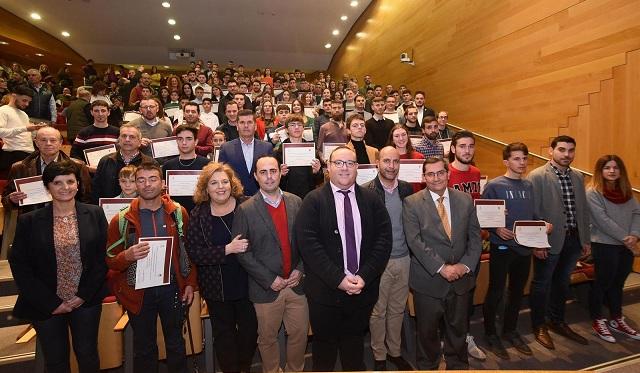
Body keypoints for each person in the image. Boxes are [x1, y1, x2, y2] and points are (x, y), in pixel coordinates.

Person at [295, 146, 392, 371]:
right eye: (338, 163)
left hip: (362, 291)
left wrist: (365, 276)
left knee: (354, 345)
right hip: (324, 294)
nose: (344, 168)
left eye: (350, 163)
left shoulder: (372, 199)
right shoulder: (313, 200)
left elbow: (383, 240)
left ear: (357, 167)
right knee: (324, 351)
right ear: (328, 167)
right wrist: (338, 279)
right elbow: (308, 245)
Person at [9, 160, 108, 373]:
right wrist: (51, 303)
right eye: (57, 183)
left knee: (88, 354)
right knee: (55, 361)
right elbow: (20, 265)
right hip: (46, 303)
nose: (65, 187)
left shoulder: (94, 214)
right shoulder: (29, 221)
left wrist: (82, 295)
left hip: (85, 300)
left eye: (70, 181)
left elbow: (102, 259)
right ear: (48, 187)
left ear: (78, 185)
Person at [105, 162, 197, 373]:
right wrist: (127, 256)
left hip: (172, 289)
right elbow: (110, 259)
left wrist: (190, 283)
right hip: (139, 292)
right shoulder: (121, 219)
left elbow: (187, 251)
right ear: (135, 184)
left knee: (175, 344)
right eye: (141, 180)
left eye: (153, 179)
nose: (147, 184)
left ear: (163, 183)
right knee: (144, 348)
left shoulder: (178, 213)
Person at [403, 157, 482, 370]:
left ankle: (457, 365)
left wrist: (464, 266)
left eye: (440, 173)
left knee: (458, 330)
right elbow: (414, 241)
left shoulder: (465, 199)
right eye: (430, 174)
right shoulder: (412, 203)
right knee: (427, 333)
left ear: (448, 174)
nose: (436, 178)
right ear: (423, 177)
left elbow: (475, 238)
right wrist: (442, 268)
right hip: (428, 282)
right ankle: (428, 366)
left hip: (461, 279)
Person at [234, 155, 308, 373]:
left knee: (299, 334)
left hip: (296, 285)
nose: (269, 176)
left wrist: (301, 269)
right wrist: (269, 279)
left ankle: (295, 370)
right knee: (267, 339)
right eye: (263, 172)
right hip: (266, 289)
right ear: (256, 176)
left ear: (280, 172)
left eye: (273, 171)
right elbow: (242, 252)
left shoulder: (296, 202)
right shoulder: (245, 209)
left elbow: (307, 242)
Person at [185, 162, 257, 372]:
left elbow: (262, 239)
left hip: (248, 284)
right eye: (214, 183)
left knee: (249, 333)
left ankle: (244, 367)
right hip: (217, 288)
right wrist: (227, 249)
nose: (220, 187)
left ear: (232, 184)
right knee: (224, 336)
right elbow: (195, 253)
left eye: (225, 181)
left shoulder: (248, 205)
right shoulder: (198, 215)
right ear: (205, 188)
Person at [481, 142, 547, 359]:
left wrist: (543, 226)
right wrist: (497, 228)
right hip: (502, 248)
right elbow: (483, 217)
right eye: (517, 159)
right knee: (496, 292)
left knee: (517, 292)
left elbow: (534, 216)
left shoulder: (529, 186)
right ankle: (491, 333)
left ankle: (510, 330)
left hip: (524, 249)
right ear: (506, 161)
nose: (522, 163)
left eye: (524, 158)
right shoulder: (494, 185)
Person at [527, 135, 591, 350]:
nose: (566, 154)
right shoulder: (536, 176)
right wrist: (537, 243)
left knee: (562, 283)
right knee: (542, 284)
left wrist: (586, 240)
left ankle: (557, 320)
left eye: (571, 150)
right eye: (562, 149)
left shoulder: (578, 176)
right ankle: (539, 325)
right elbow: (533, 213)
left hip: (573, 240)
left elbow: (582, 211)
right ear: (550, 151)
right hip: (548, 241)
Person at [363, 146, 414, 371]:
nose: (391, 166)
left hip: (404, 259)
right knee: (378, 311)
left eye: (395, 161)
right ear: (377, 163)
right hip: (379, 263)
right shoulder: (366, 191)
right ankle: (379, 355)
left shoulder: (406, 189)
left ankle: (394, 351)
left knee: (397, 309)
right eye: (386, 161)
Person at [587, 155, 640, 343]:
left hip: (625, 245)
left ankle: (617, 319)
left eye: (615, 167)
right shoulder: (593, 192)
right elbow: (602, 221)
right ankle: (597, 319)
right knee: (603, 283)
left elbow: (637, 213)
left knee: (618, 283)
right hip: (604, 244)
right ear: (600, 171)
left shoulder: (626, 191)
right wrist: (629, 240)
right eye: (607, 168)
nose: (611, 171)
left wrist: (634, 235)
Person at [91, 124, 156, 203]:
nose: (127, 139)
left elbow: (155, 190)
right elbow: (96, 190)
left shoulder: (150, 163)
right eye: (124, 136)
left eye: (132, 137)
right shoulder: (106, 161)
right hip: (109, 211)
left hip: (143, 211)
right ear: (119, 140)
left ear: (139, 142)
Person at [218, 109, 273, 196]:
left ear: (255, 126)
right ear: (237, 126)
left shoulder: (267, 147)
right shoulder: (226, 148)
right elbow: (221, 175)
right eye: (242, 122)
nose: (246, 126)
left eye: (250, 122)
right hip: (235, 197)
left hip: (261, 197)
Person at [162, 124, 210, 212]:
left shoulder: (207, 165)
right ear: (176, 141)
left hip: (201, 213)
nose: (184, 143)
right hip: (175, 213)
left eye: (189, 139)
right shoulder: (167, 166)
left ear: (196, 141)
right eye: (180, 139)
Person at [274, 114, 323, 199]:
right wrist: (280, 174)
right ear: (286, 130)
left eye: (300, 125)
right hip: (287, 196)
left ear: (303, 128)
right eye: (292, 125)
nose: (296, 127)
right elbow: (274, 181)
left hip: (308, 195)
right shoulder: (280, 151)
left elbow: (319, 179)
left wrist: (317, 172)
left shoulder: (311, 149)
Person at [0, 85, 44, 177]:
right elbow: (1, 132)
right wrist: (26, 128)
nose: (27, 104)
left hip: (29, 153)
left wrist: (37, 129)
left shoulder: (23, 114)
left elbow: (26, 134)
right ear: (14, 96)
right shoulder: (3, 110)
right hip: (12, 153)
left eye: (29, 102)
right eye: (24, 100)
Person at [70, 100, 120, 168]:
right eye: (96, 111)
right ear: (91, 112)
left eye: (103, 111)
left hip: (112, 172)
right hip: (90, 173)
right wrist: (85, 167)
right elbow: (74, 154)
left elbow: (121, 152)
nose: (100, 114)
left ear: (108, 112)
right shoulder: (84, 133)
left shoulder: (117, 132)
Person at [387, 124, 425, 193]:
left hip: (416, 197)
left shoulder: (419, 157)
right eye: (397, 136)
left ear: (408, 136)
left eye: (404, 135)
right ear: (392, 139)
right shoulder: (387, 159)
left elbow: (424, 184)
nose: (401, 138)